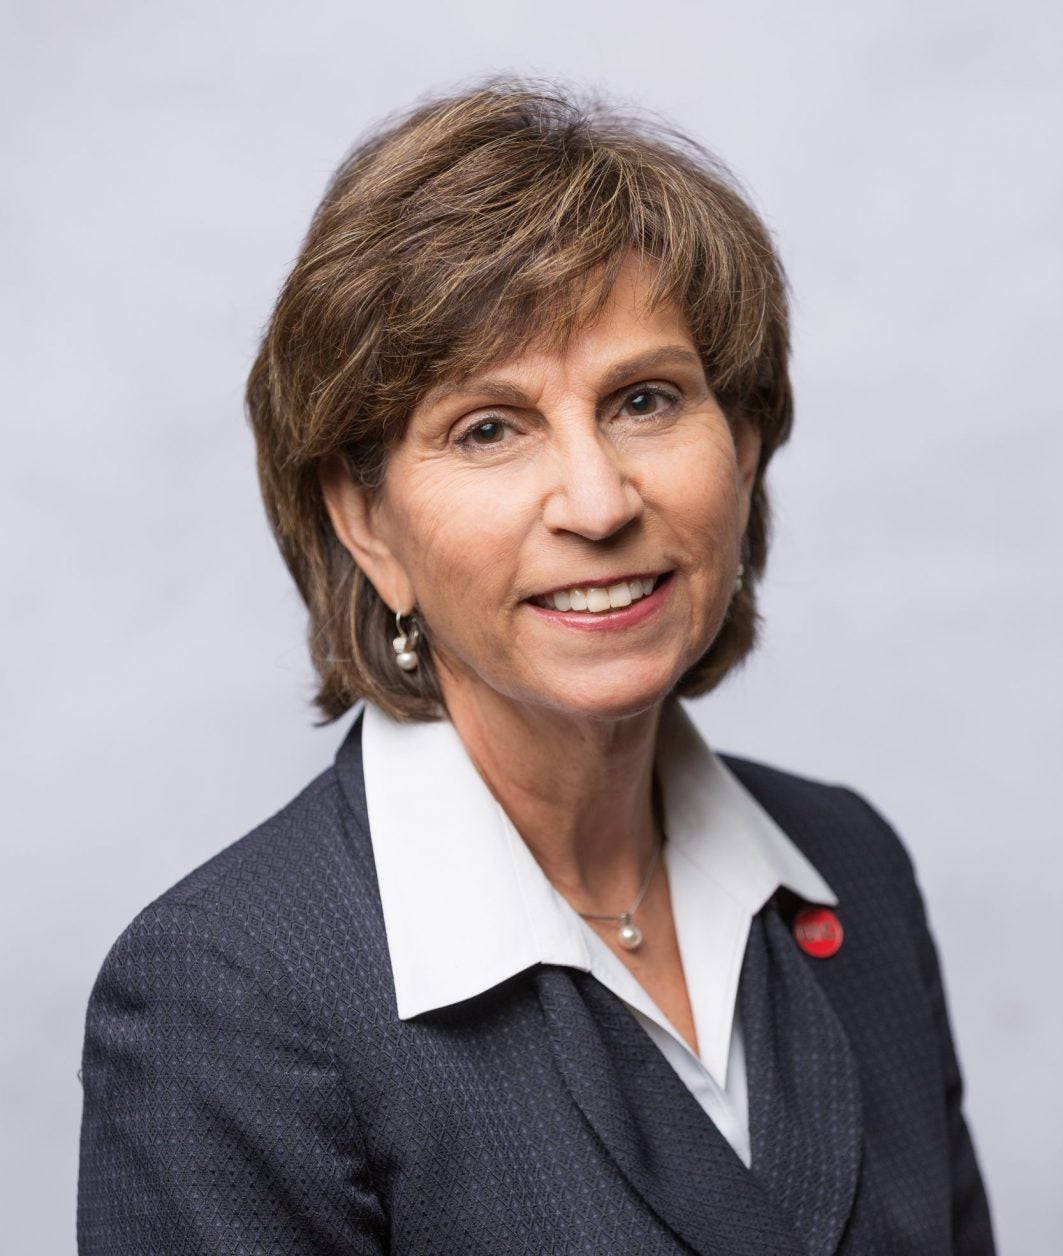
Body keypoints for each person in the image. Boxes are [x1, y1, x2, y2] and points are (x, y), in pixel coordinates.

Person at [77, 81, 996, 1255]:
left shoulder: (852, 873)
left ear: (746, 442)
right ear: (367, 521)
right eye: (489, 428)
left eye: (646, 399)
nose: (601, 500)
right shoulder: (231, 998)